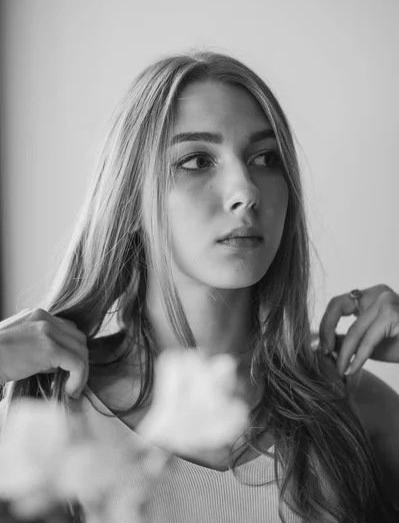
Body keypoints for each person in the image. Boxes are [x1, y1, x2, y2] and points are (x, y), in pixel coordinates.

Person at [0, 50, 399, 523]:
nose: (246, 191)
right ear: (128, 200)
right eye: (195, 160)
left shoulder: (352, 407)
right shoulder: (52, 405)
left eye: (266, 158)